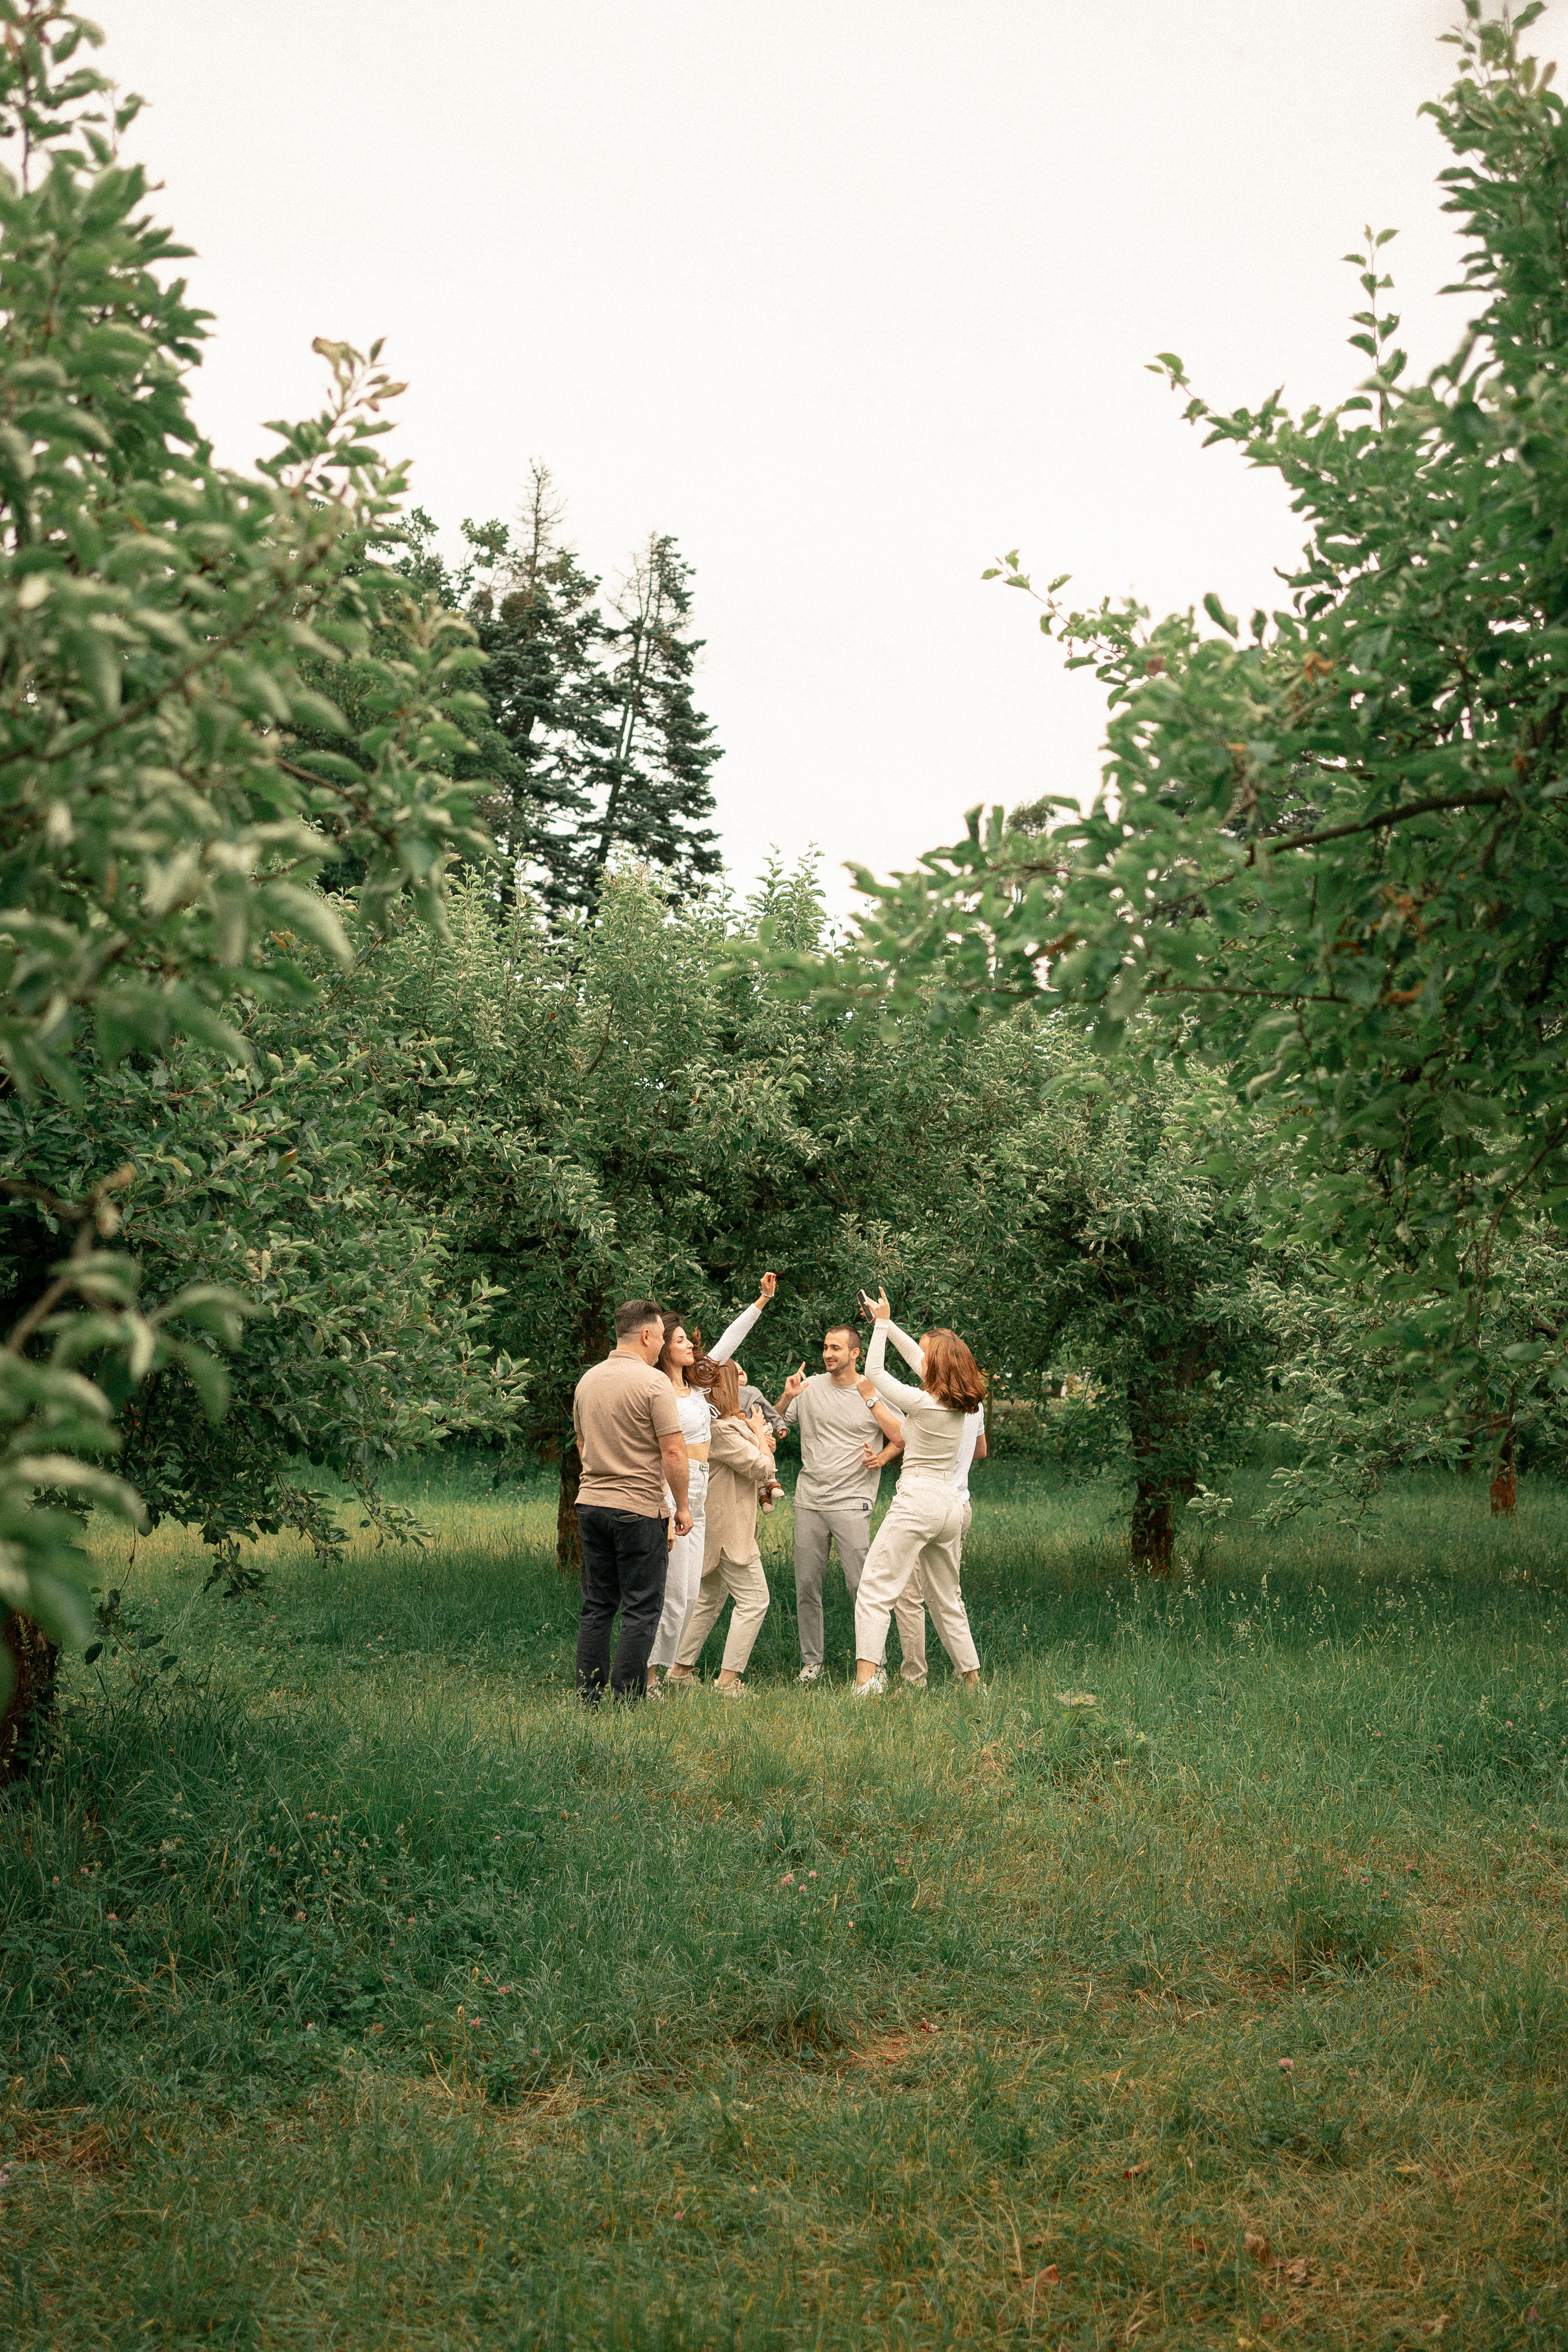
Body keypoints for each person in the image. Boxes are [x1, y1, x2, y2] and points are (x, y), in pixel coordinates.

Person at [646, 1275, 778, 1697]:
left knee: (690, 1595)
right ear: (664, 1346)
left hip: (700, 1495)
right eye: (682, 1339)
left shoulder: (697, 1388)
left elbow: (728, 1344)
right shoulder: (658, 1388)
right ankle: (648, 1679)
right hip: (674, 1490)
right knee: (669, 1593)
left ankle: (673, 1673)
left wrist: (762, 1300)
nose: (691, 1345)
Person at [850, 1291, 984, 1696]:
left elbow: (873, 1370)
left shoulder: (922, 1403)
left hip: (919, 1501)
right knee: (947, 1600)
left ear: (937, 1366)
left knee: (874, 1589)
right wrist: (887, 1323)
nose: (921, 1360)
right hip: (951, 1507)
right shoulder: (960, 1404)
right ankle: (974, 1683)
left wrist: (879, 1329)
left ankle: (865, 1684)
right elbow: (920, 1359)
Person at [777, 1322, 922, 1687]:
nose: (827, 1354)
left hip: (853, 1502)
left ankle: (876, 1666)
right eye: (825, 1347)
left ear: (855, 1353)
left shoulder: (871, 1391)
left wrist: (884, 1458)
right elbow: (774, 1426)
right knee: (807, 1586)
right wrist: (786, 1396)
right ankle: (812, 1664)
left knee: (861, 1588)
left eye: (836, 1348)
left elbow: (902, 1436)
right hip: (809, 1500)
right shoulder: (807, 1389)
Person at [573, 1299, 692, 1704]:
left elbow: (582, 1444)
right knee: (641, 1610)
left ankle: (588, 1697)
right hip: (638, 1509)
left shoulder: (588, 1380)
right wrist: (683, 1507)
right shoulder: (653, 1382)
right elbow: (674, 1452)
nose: (661, 1345)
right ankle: (626, 1701)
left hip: (590, 1505)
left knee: (597, 1607)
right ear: (645, 1335)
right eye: (661, 1336)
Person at [669, 1362, 776, 1694]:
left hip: (722, 1524)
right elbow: (761, 1465)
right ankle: (728, 1681)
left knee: (709, 1598)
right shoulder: (721, 1429)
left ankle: (678, 1671)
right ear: (729, 1388)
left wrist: (759, 1436)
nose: (745, 1378)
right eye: (738, 1375)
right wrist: (760, 1433)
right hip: (727, 1528)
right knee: (756, 1600)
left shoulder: (728, 1425)